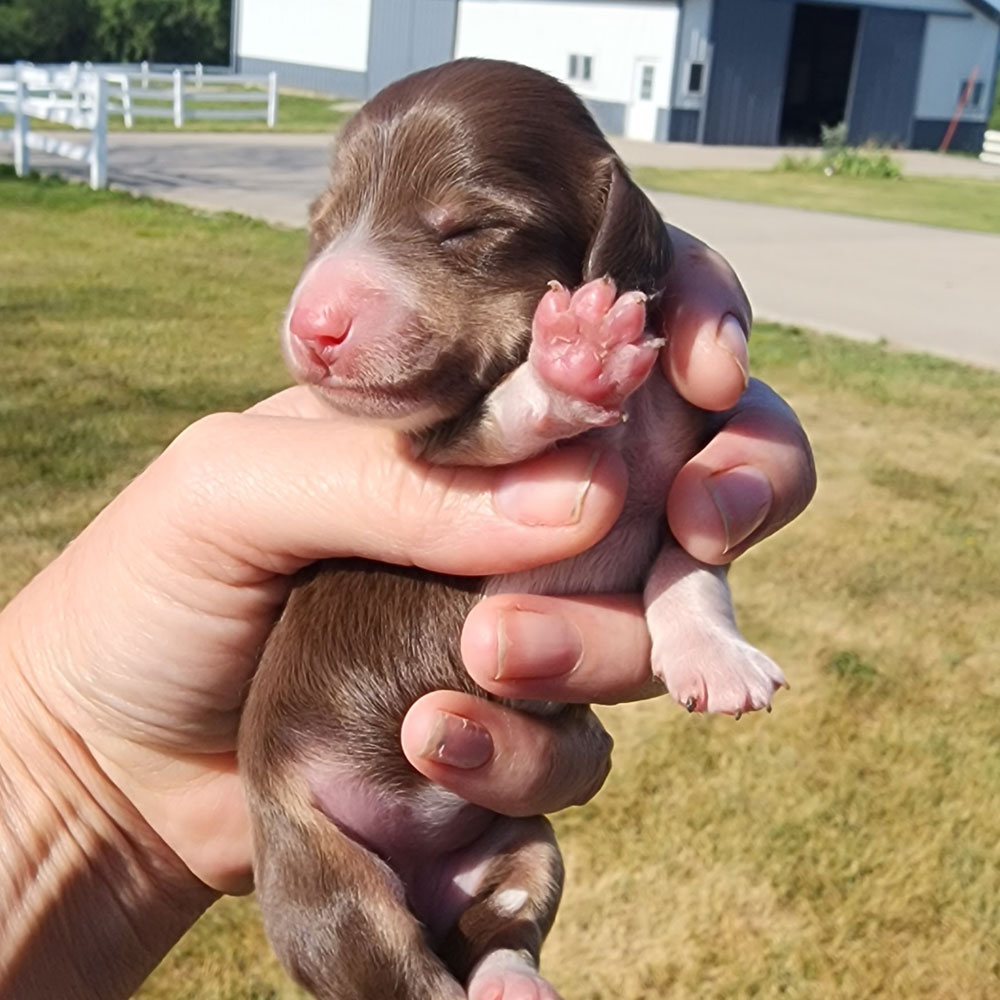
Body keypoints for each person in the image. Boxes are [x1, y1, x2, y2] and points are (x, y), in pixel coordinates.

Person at [0, 227, 814, 998]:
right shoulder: (464, 381)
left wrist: (694, 623)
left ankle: (502, 957)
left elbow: (682, 534)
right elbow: (468, 432)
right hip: (317, 796)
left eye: (463, 232)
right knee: (358, 923)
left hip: (476, 825)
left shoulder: (660, 363)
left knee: (523, 857)